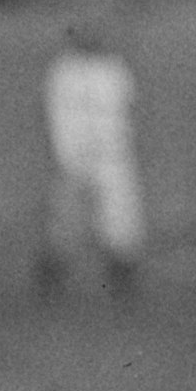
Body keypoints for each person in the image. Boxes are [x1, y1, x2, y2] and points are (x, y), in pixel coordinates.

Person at [33, 19, 145, 300]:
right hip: (73, 156)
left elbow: (127, 111)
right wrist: (64, 153)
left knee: (120, 221)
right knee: (64, 224)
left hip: (111, 156)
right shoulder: (63, 70)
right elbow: (55, 115)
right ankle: (51, 280)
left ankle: (122, 281)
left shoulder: (115, 69)